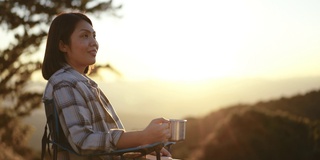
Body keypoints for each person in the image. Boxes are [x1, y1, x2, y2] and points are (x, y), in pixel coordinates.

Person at [42, 12, 171, 159]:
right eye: (85, 36)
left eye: (94, 36)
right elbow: (84, 142)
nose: (94, 43)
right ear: (63, 45)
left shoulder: (81, 82)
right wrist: (143, 137)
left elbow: (104, 147)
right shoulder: (65, 83)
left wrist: (142, 149)